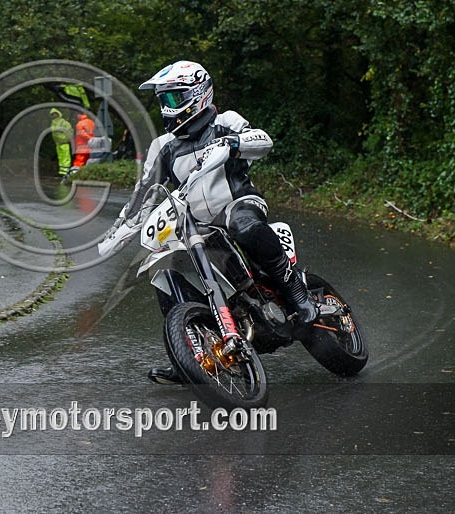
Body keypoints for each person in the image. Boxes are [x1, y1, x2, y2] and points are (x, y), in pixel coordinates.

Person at [110, 60, 319, 385]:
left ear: (199, 94)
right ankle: (192, 351)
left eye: (174, 99)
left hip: (238, 202)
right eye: (164, 101)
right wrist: (119, 230)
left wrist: (233, 143)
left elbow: (262, 141)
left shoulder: (226, 121)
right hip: (194, 224)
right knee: (161, 271)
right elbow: (144, 192)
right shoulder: (163, 147)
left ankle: (296, 291)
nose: (168, 108)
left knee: (242, 225)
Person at [49, 108, 73, 177]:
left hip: (64, 142)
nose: (54, 115)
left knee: (65, 157)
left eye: (54, 114)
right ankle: (62, 171)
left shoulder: (63, 122)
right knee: (61, 157)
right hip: (58, 143)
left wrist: (67, 139)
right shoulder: (53, 123)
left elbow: (70, 132)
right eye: (52, 114)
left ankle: (66, 172)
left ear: (58, 114)